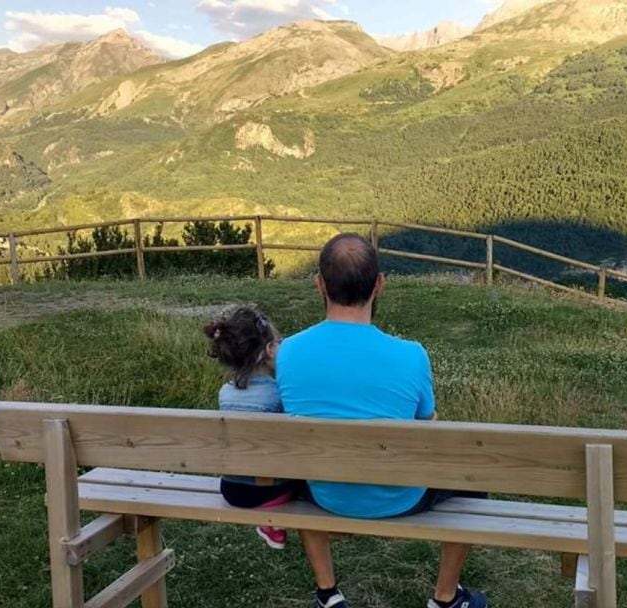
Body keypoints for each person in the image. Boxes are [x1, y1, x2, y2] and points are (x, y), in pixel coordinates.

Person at [277, 234, 489, 608]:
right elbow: (429, 423)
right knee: (472, 478)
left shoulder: (289, 351)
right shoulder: (411, 356)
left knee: (295, 464)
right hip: (401, 496)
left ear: (320, 285)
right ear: (379, 284)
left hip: (325, 492)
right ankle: (445, 598)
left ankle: (328, 594)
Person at [205, 306, 299, 550]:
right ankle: (271, 522)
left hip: (232, 489)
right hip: (269, 492)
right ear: (269, 350)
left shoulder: (225, 394)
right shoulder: (278, 394)